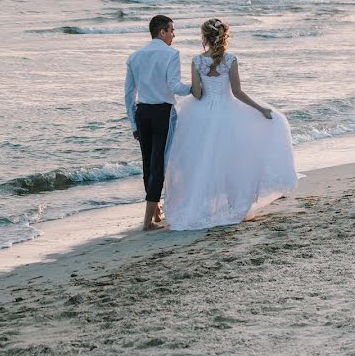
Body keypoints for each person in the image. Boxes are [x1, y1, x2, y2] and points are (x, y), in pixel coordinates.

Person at [163, 18, 297, 230]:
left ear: (205, 38)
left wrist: (188, 87)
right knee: (230, 160)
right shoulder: (230, 60)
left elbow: (197, 94)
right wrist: (260, 109)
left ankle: (204, 207)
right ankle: (234, 206)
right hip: (228, 113)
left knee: (204, 162)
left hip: (202, 116)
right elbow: (237, 92)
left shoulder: (197, 61)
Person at [124, 15, 191, 230]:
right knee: (159, 165)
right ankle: (147, 222)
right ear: (161, 32)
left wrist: (133, 124)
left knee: (147, 163)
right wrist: (198, 86)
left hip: (142, 113)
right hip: (163, 113)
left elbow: (128, 95)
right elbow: (175, 86)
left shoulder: (135, 56)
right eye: (171, 30)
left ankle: (155, 213)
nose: (173, 35)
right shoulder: (171, 54)